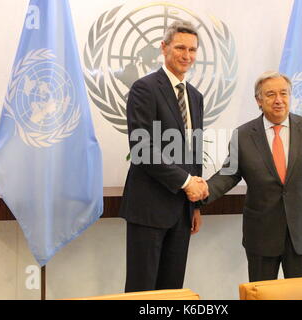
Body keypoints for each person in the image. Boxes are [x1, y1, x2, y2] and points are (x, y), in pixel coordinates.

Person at [200, 71, 302, 281]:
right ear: (258, 101)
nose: (278, 100)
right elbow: (229, 173)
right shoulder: (243, 135)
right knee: (261, 295)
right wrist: (203, 191)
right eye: (270, 94)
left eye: (284, 93)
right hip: (261, 234)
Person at [119, 20, 208, 292]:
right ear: (164, 47)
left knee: (172, 290)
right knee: (142, 289)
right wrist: (186, 182)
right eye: (180, 47)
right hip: (149, 208)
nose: (186, 55)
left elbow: (193, 150)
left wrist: (195, 205)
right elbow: (142, 148)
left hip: (181, 211)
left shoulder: (195, 96)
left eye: (192, 50)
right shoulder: (145, 88)